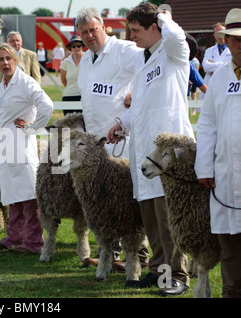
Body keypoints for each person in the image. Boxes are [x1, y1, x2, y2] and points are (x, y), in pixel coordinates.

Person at [108, 3, 194, 296]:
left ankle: (178, 275)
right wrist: (122, 123)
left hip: (168, 154)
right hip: (144, 151)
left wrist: (163, 15)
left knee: (169, 218)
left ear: (155, 28)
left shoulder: (173, 53)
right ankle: (158, 271)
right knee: (151, 217)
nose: (131, 36)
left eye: (136, 30)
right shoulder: (143, 61)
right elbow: (141, 105)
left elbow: (177, 37)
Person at [75, 7, 149, 272]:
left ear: (103, 26)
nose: (89, 35)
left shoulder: (124, 51)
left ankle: (140, 255)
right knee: (105, 200)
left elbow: (152, 64)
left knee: (130, 199)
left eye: (93, 29)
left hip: (122, 141)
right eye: (84, 32)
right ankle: (111, 252)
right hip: (97, 145)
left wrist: (135, 93)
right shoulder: (85, 60)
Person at [195, 8, 241, 298]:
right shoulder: (221, 78)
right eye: (234, 39)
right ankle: (232, 292)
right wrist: (204, 168)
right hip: (224, 173)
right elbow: (207, 124)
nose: (239, 44)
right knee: (229, 244)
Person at [0, 42, 53, 254]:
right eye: (1, 59)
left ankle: (34, 242)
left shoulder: (25, 82)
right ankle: (14, 237)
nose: (5, 63)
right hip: (6, 147)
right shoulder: (3, 83)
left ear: (16, 60)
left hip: (22, 144)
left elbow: (47, 105)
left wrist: (32, 127)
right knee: (12, 195)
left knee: (28, 195)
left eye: (9, 58)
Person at [0, 31, 41, 99]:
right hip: (5, 92)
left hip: (24, 93)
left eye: (17, 40)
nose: (16, 43)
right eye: (12, 41)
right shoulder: (1, 55)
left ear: (21, 42)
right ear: (8, 43)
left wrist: (35, 93)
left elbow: (36, 76)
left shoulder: (31, 55)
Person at [199, 22, 232, 100]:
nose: (220, 37)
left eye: (222, 33)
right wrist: (224, 64)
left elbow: (231, 66)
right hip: (211, 84)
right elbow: (206, 67)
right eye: (218, 34)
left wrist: (213, 65)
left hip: (226, 84)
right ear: (214, 36)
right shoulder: (209, 51)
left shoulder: (232, 50)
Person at [60, 35, 84, 115]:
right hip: (68, 95)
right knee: (68, 124)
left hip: (83, 96)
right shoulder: (65, 63)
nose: (76, 48)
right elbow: (64, 81)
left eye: (78, 46)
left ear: (82, 46)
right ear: (70, 48)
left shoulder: (88, 59)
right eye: (73, 46)